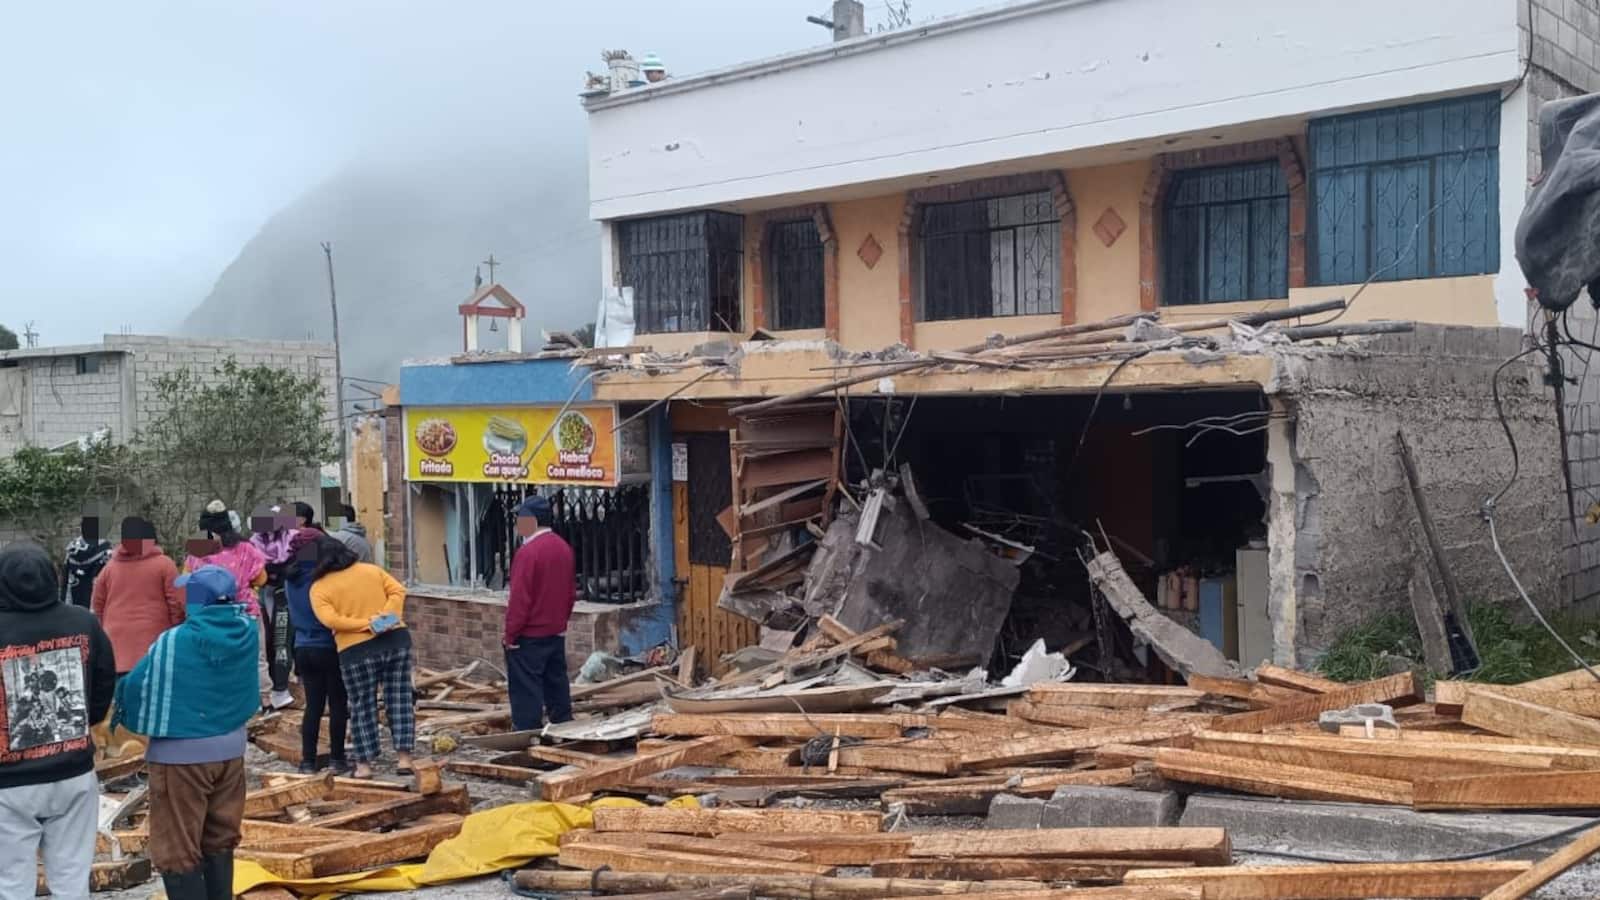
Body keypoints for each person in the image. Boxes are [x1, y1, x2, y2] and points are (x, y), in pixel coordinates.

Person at [113, 566, 258, 900]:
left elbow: (137, 684)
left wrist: (128, 711)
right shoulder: (246, 631)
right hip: (230, 752)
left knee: (176, 846)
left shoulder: (177, 640)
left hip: (181, 758)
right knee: (220, 836)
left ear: (197, 600)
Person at [0, 542, 116, 900]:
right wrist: (83, 724)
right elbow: (103, 682)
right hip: (73, 771)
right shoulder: (83, 621)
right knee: (71, 879)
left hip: (9, 781)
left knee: (11, 883)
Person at [309, 541, 417, 779]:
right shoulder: (371, 570)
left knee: (361, 705)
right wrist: (385, 619)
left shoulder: (319, 588)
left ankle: (364, 766)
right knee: (399, 699)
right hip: (395, 640)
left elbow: (331, 620)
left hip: (355, 650)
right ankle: (404, 759)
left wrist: (365, 626)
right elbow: (398, 591)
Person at [503, 495, 577, 732]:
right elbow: (569, 593)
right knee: (556, 685)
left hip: (529, 636)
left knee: (526, 691)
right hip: (555, 632)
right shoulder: (563, 548)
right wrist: (561, 622)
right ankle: (564, 730)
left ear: (531, 521)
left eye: (520, 519)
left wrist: (510, 636)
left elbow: (520, 600)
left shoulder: (528, 553)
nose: (517, 524)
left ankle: (527, 735)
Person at [285, 531, 349, 774]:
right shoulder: (324, 578)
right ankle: (337, 759)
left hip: (302, 647)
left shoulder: (290, 577)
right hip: (328, 646)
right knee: (337, 704)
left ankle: (308, 761)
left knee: (312, 706)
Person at [91, 517, 183, 678]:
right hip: (154, 646)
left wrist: (105, 629)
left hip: (116, 648)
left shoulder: (109, 568)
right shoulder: (165, 565)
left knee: (123, 697)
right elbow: (177, 604)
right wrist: (174, 631)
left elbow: (97, 604)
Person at [184, 500, 267, 619]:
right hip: (244, 614)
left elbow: (188, 583)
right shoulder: (246, 548)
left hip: (207, 616)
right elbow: (261, 579)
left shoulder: (196, 552)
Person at [251, 507, 296, 710]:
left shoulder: (292, 537)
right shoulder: (255, 540)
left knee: (281, 638)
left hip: (286, 591)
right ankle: (268, 690)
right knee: (266, 640)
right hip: (264, 591)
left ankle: (280, 688)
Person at [61, 516, 113, 609]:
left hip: (73, 603)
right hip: (96, 604)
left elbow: (65, 578)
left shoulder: (72, 549)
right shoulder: (105, 550)